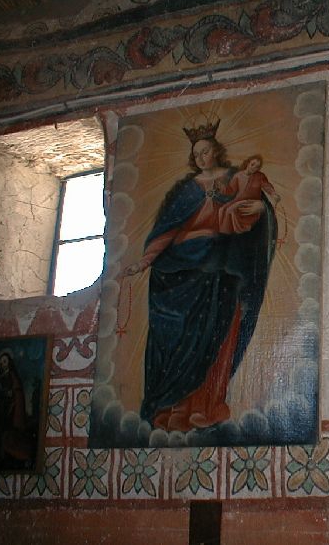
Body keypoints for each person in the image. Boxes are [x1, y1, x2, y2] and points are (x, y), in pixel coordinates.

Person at [123, 120, 277, 432]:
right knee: (180, 341)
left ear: (216, 151)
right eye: (196, 155)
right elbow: (167, 230)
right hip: (180, 272)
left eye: (205, 152)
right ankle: (170, 410)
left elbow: (255, 209)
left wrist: (261, 211)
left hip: (219, 271)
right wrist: (146, 261)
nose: (201, 158)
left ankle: (205, 407)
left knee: (216, 334)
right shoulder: (185, 191)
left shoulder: (236, 179)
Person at [219, 154, 280, 234]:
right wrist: (222, 188)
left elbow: (267, 186)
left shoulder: (260, 176)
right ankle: (224, 234)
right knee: (222, 210)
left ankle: (230, 233)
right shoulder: (238, 176)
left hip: (251, 202)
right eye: (252, 164)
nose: (254, 168)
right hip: (238, 200)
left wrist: (273, 193)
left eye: (257, 167)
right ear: (248, 163)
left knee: (230, 211)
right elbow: (231, 191)